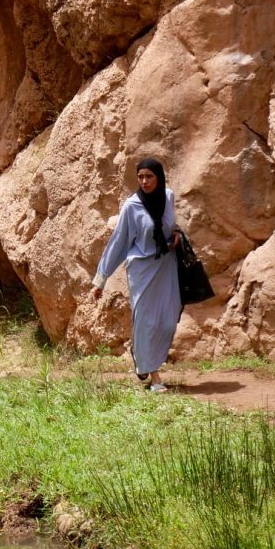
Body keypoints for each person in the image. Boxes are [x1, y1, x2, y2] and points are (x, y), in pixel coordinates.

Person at [91, 155, 184, 392]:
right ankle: (154, 376)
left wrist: (176, 235)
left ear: (159, 178)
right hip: (141, 270)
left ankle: (141, 355)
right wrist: (101, 280)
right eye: (140, 177)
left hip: (165, 266)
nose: (144, 181)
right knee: (146, 321)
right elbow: (119, 242)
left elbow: (170, 225)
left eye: (149, 176)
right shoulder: (132, 206)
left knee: (167, 321)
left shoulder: (168, 197)